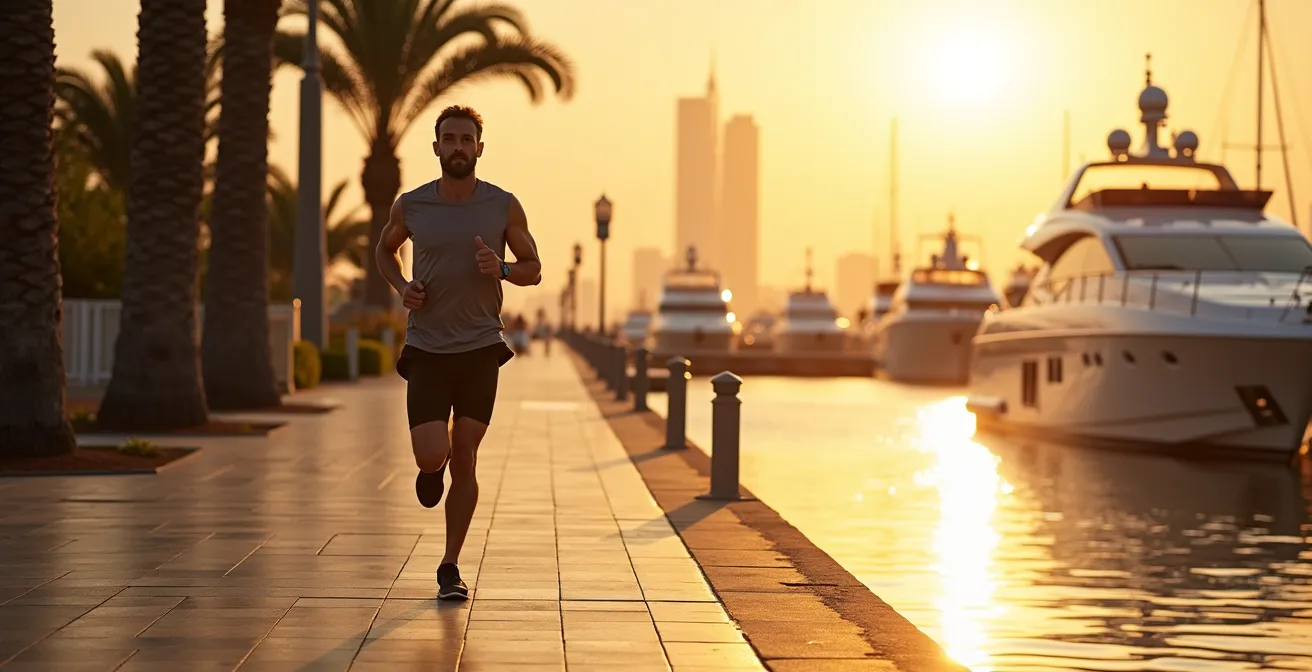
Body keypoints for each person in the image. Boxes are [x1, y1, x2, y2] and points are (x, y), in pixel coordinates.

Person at [375, 105, 542, 601]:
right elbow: (385, 251)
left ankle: (450, 565)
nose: (458, 148)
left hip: (479, 347)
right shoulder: (412, 206)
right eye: (449, 139)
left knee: (465, 453)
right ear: (436, 148)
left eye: (466, 140)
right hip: (426, 346)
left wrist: (504, 269)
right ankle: (431, 468)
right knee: (435, 452)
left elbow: (534, 267)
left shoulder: (503, 206)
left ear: (479, 148)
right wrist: (401, 285)